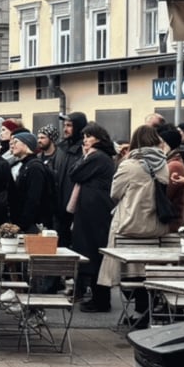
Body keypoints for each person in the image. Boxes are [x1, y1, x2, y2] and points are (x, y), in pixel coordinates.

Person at [94, 125, 173, 322]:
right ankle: (145, 310)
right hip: (156, 227)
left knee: (130, 273)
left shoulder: (128, 165)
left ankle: (140, 312)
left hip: (130, 225)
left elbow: (114, 193)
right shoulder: (164, 165)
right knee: (148, 272)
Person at [70, 123, 118, 311]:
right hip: (95, 210)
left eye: (88, 136)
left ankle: (101, 300)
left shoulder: (97, 157)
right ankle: (98, 298)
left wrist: (84, 156)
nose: (85, 140)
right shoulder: (102, 157)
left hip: (95, 212)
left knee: (94, 253)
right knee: (94, 253)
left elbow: (75, 173)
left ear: (97, 138)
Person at [7, 131, 57, 235]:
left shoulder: (34, 167)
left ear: (26, 145)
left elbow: (33, 198)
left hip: (33, 226)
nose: (12, 145)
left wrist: (22, 224)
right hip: (28, 224)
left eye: (16, 142)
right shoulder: (26, 165)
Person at [52, 112, 89, 248]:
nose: (65, 129)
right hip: (59, 206)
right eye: (64, 125)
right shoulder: (61, 148)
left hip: (75, 207)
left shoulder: (84, 150)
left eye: (69, 126)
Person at [157, 125, 184, 230]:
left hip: (171, 222)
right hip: (170, 220)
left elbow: (166, 194)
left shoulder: (174, 165)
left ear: (167, 144)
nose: (158, 146)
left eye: (161, 142)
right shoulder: (171, 162)